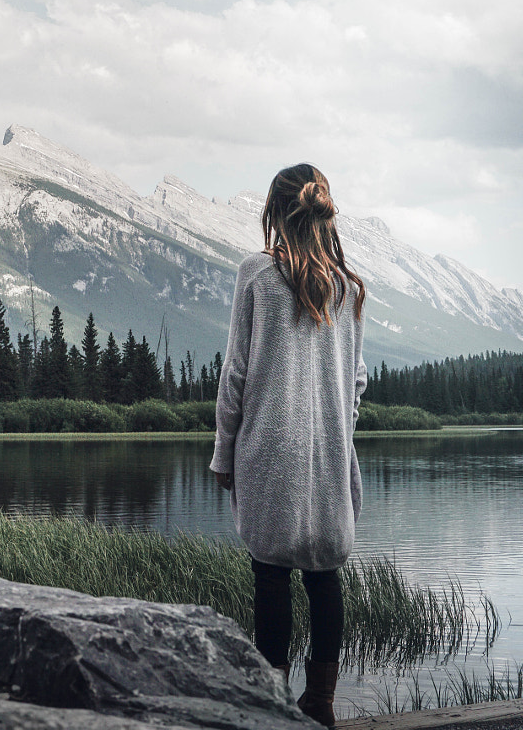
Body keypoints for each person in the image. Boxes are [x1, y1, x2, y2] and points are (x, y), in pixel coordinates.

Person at [210, 163, 366, 728]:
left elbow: (237, 376)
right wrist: (336, 434)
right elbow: (357, 382)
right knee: (326, 576)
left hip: (267, 453)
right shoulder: (347, 287)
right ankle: (321, 702)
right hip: (328, 453)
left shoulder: (256, 274)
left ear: (274, 213)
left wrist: (223, 452)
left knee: (269, 575)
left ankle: (272, 703)